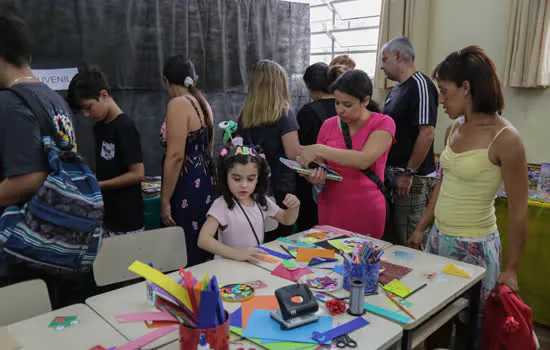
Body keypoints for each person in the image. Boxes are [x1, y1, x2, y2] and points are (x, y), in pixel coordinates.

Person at [409, 46, 528, 348]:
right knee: (431, 321)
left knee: (470, 330)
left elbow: (518, 209)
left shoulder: (506, 138)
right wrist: (423, 226)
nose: (440, 99)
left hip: (475, 247)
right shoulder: (452, 130)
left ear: (467, 88)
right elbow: (442, 184)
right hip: (440, 240)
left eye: (444, 91)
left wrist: (510, 269)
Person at [0, 15, 94, 306]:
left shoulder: (10, 102)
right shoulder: (53, 98)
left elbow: (29, 177)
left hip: (23, 244)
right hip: (59, 238)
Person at [298, 70, 395, 239]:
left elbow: (364, 160)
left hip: (366, 208)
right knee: (329, 259)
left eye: (347, 105)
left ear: (365, 101)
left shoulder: (383, 122)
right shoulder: (328, 125)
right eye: (337, 103)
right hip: (331, 206)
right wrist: (313, 175)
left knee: (362, 261)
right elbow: (319, 166)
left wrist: (321, 149)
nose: (340, 110)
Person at [67, 67, 145, 237]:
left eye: (89, 107)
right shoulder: (99, 128)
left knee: (129, 263)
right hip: (106, 216)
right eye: (82, 111)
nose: (86, 115)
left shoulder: (125, 127)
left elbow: (138, 174)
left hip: (127, 220)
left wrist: (100, 185)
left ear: (103, 95)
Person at [380, 36, 439, 245]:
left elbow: (427, 132)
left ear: (399, 56)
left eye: (384, 59)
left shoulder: (420, 85)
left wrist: (409, 172)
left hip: (412, 179)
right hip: (392, 175)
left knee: (410, 240)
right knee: (393, 237)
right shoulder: (396, 90)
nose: (381, 66)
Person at [197, 145, 300, 260]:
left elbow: (286, 219)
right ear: (225, 177)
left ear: (258, 179)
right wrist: (237, 254)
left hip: (252, 263)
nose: (244, 185)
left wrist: (294, 207)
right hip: (227, 267)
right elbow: (203, 240)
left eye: (251, 179)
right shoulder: (222, 204)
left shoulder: (260, 199)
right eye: (236, 179)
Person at [160, 55, 215, 267]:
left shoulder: (178, 104)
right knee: (201, 240)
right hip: (204, 179)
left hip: (186, 182)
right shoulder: (203, 103)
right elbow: (209, 147)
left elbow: (175, 156)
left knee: (184, 245)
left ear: (166, 80)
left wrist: (164, 200)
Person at [238, 60, 300, 241]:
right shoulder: (285, 114)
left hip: (251, 186)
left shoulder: (245, 115)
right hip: (280, 189)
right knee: (277, 243)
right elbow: (293, 155)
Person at [295, 63, 345, 231]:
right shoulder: (345, 108)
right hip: (343, 176)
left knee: (311, 230)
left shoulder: (307, 112)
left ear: (309, 88)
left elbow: (300, 150)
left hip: (314, 177)